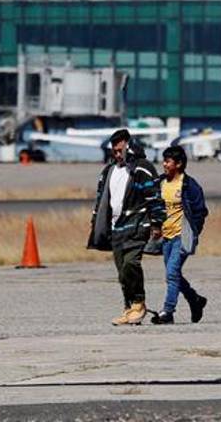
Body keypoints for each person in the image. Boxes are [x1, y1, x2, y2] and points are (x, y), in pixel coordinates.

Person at [87, 128, 165, 326]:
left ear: (129, 147)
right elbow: (100, 199)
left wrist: (157, 223)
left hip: (137, 225)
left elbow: (154, 196)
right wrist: (95, 222)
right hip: (116, 229)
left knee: (131, 263)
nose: (116, 154)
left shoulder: (142, 168)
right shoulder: (109, 171)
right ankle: (129, 308)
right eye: (114, 150)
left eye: (120, 149)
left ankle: (139, 303)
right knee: (122, 272)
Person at [150, 146, 209, 325]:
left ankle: (168, 312)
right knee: (172, 274)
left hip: (181, 237)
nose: (164, 164)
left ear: (179, 164)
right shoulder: (160, 183)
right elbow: (153, 207)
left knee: (172, 273)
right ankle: (195, 299)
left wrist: (193, 232)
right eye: (164, 160)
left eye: (168, 161)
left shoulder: (189, 186)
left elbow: (200, 212)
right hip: (165, 237)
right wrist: (155, 226)